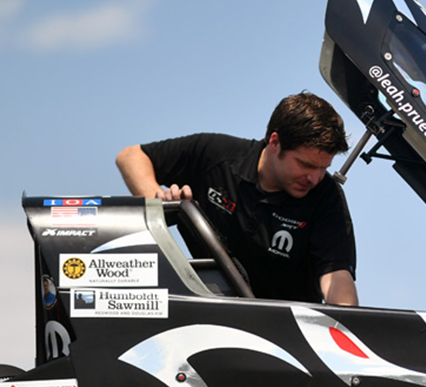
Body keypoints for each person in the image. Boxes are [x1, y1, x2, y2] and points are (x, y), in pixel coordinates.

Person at [116, 92, 358, 305]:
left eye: (323, 168)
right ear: (275, 142)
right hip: (210, 311)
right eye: (305, 165)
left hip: (285, 333)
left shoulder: (326, 197)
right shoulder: (215, 155)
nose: (314, 178)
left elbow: (337, 279)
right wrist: (159, 203)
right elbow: (131, 157)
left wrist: (348, 330)